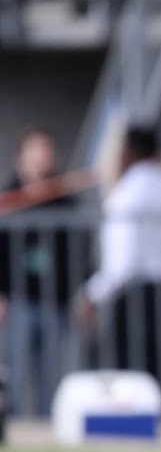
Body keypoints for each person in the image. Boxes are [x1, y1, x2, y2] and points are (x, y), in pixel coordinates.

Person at [74, 126, 161, 393]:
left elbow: (122, 259)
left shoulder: (126, 193)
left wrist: (94, 293)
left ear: (129, 152)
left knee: (131, 380)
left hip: (135, 293)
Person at [0, 127, 80, 416]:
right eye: (35, 152)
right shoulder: (8, 198)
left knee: (52, 371)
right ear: (21, 157)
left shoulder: (64, 198)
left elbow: (77, 252)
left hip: (55, 299)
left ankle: (50, 425)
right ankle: (19, 426)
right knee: (18, 371)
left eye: (46, 152)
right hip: (18, 298)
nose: (41, 159)